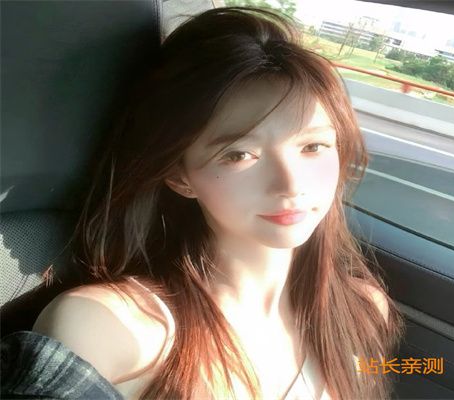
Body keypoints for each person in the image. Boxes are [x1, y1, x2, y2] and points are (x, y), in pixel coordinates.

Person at [1, 6, 405, 400]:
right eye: (238, 154)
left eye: (313, 146)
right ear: (180, 176)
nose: (290, 184)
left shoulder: (363, 310)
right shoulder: (111, 330)